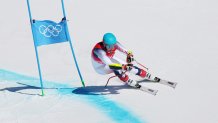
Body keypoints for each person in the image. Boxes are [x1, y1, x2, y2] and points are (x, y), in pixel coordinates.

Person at [91, 33, 156, 88]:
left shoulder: (115, 44)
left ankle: (144, 74)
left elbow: (127, 51)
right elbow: (110, 65)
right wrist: (123, 67)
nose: (111, 48)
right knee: (118, 68)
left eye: (112, 46)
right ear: (104, 44)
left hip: (109, 59)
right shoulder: (99, 51)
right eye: (109, 46)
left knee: (128, 66)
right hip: (100, 67)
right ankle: (127, 80)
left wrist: (129, 55)